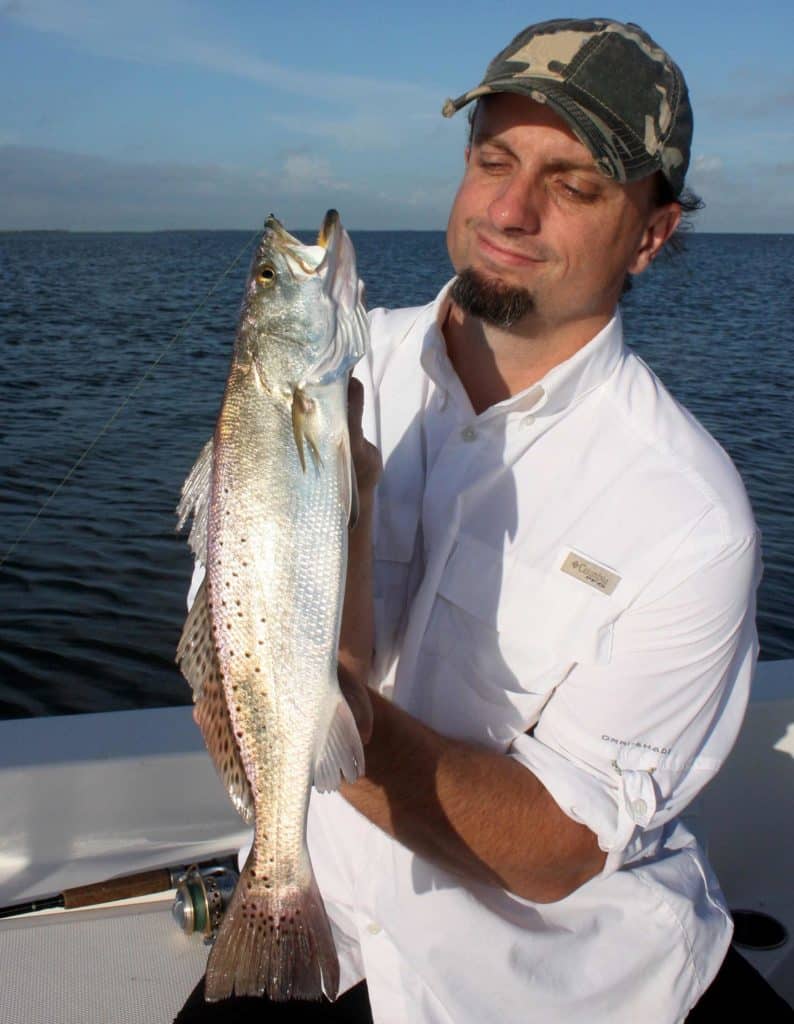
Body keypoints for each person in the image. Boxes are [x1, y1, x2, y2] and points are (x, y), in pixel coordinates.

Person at [176, 18, 790, 1023]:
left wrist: (337, 727)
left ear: (651, 231)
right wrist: (341, 528)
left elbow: (553, 852)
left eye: (574, 182)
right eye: (492, 158)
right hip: (315, 925)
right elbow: (225, 640)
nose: (509, 207)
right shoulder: (330, 363)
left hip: (547, 987)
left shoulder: (687, 514)